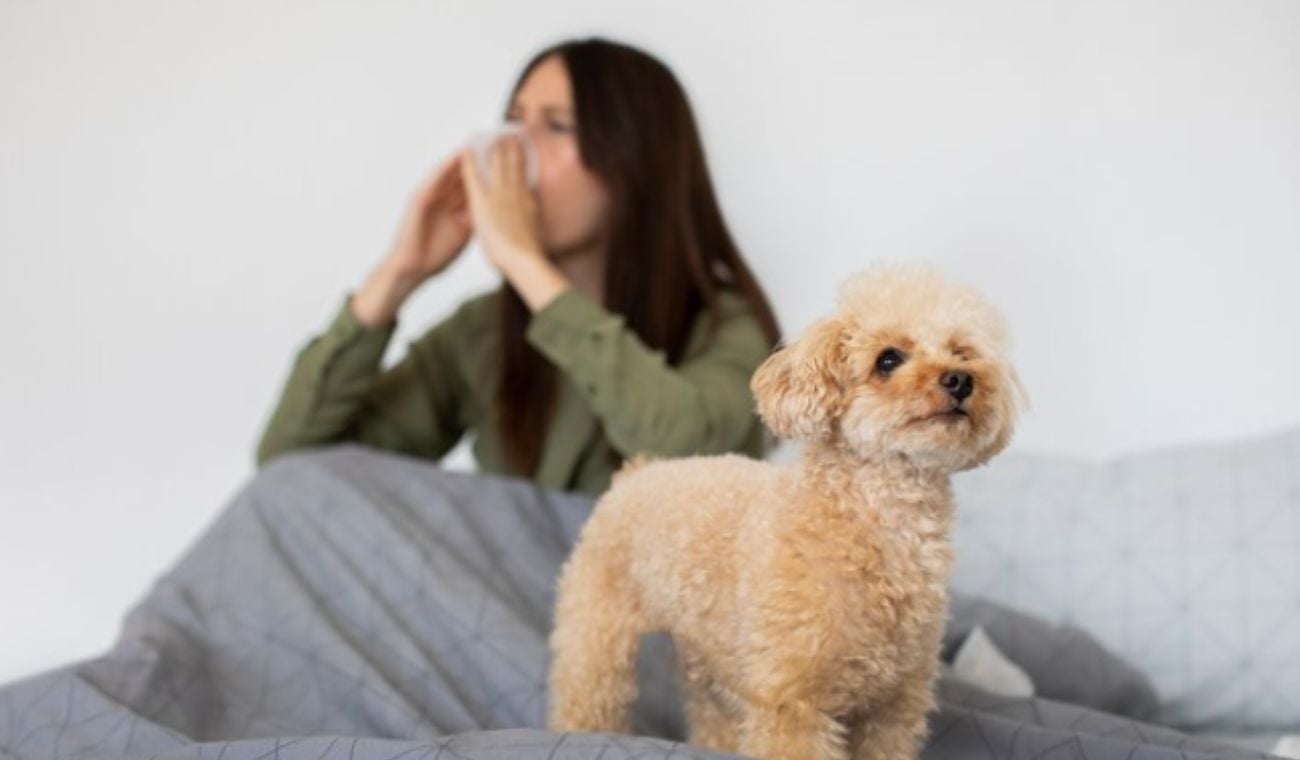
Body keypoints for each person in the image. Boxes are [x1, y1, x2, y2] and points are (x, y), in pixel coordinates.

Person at [255, 37, 782, 497]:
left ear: (634, 159)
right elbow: (293, 474)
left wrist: (522, 260)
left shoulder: (725, 325)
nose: (514, 150)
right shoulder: (482, 331)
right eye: (513, 121)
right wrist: (397, 274)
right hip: (488, 604)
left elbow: (690, 456)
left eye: (555, 126)